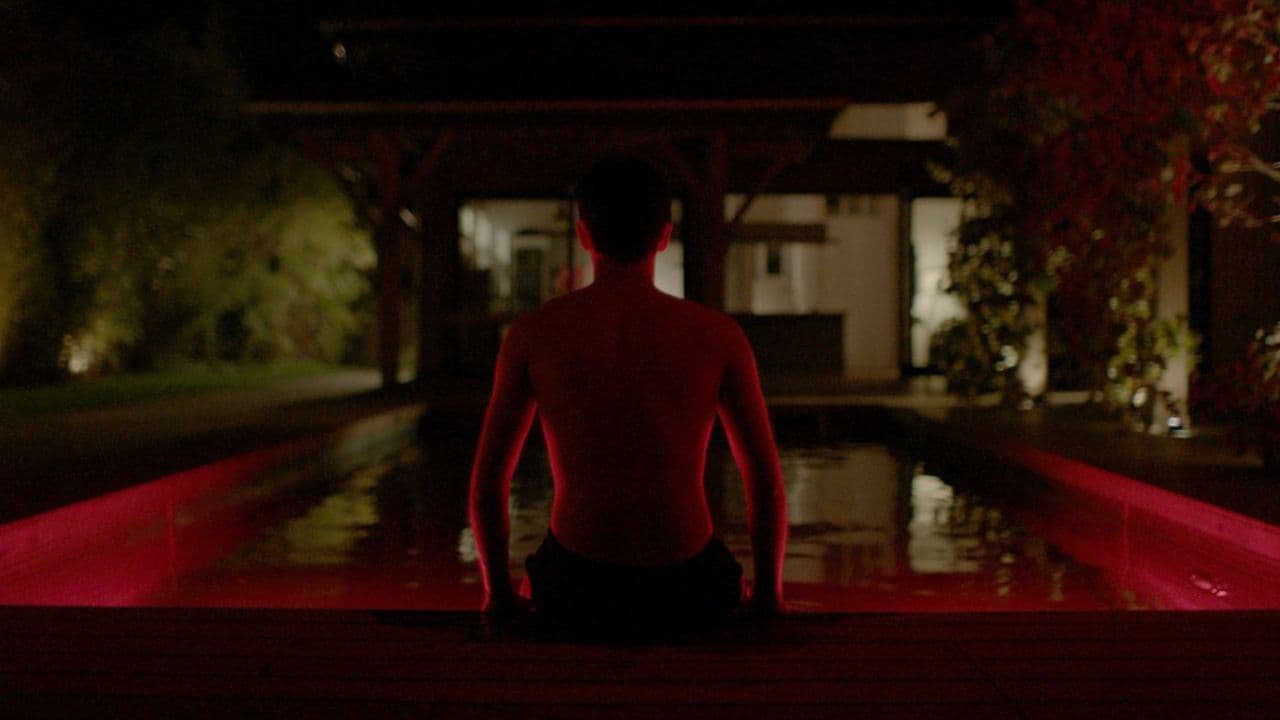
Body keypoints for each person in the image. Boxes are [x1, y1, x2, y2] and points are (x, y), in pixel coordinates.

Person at [468, 156, 787, 629]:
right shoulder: (718, 336)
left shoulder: (534, 335)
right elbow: (764, 480)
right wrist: (767, 597)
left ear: (584, 235)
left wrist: (497, 596)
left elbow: (488, 483)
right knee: (727, 584)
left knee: (533, 587)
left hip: (575, 587)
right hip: (688, 586)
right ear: (664, 236)